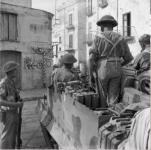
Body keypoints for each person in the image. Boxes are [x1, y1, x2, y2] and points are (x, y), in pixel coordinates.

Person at [89, 15, 133, 107]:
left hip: (102, 67)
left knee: (102, 96)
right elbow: (129, 58)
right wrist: (119, 64)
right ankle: (112, 115)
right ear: (113, 26)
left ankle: (103, 116)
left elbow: (91, 59)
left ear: (101, 26)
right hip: (117, 67)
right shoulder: (121, 38)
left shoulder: (98, 38)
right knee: (113, 97)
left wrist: (91, 75)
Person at [0, 61, 23, 149]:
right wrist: (16, 105)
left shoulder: (11, 82)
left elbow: (13, 96)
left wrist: (18, 99)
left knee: (13, 136)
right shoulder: (3, 83)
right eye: (15, 70)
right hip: (7, 113)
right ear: (11, 71)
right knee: (6, 136)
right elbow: (0, 101)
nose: (17, 71)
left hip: (13, 112)